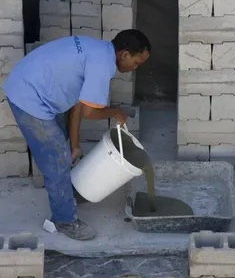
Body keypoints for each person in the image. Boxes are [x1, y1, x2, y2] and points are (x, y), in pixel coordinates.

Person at [3, 29, 151, 241]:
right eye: (137, 63)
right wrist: (116, 112)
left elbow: (77, 108)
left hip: (28, 82)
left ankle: (67, 189)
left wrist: (75, 145)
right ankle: (64, 220)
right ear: (125, 54)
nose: (135, 68)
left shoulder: (97, 49)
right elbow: (90, 112)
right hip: (29, 98)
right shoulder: (102, 66)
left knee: (63, 148)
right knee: (57, 159)